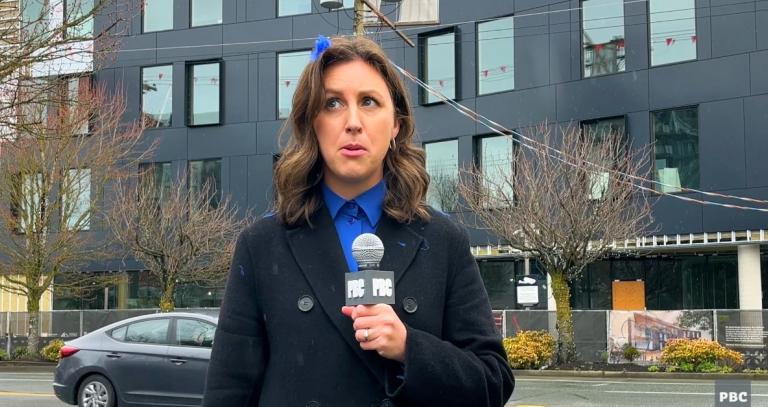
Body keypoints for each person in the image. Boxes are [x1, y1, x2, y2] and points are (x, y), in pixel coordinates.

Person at [203, 36, 514, 407]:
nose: (352, 122)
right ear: (311, 123)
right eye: (332, 103)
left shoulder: (443, 240)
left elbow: (492, 382)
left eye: (369, 102)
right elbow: (228, 393)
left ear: (396, 124)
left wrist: (408, 347)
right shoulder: (262, 244)